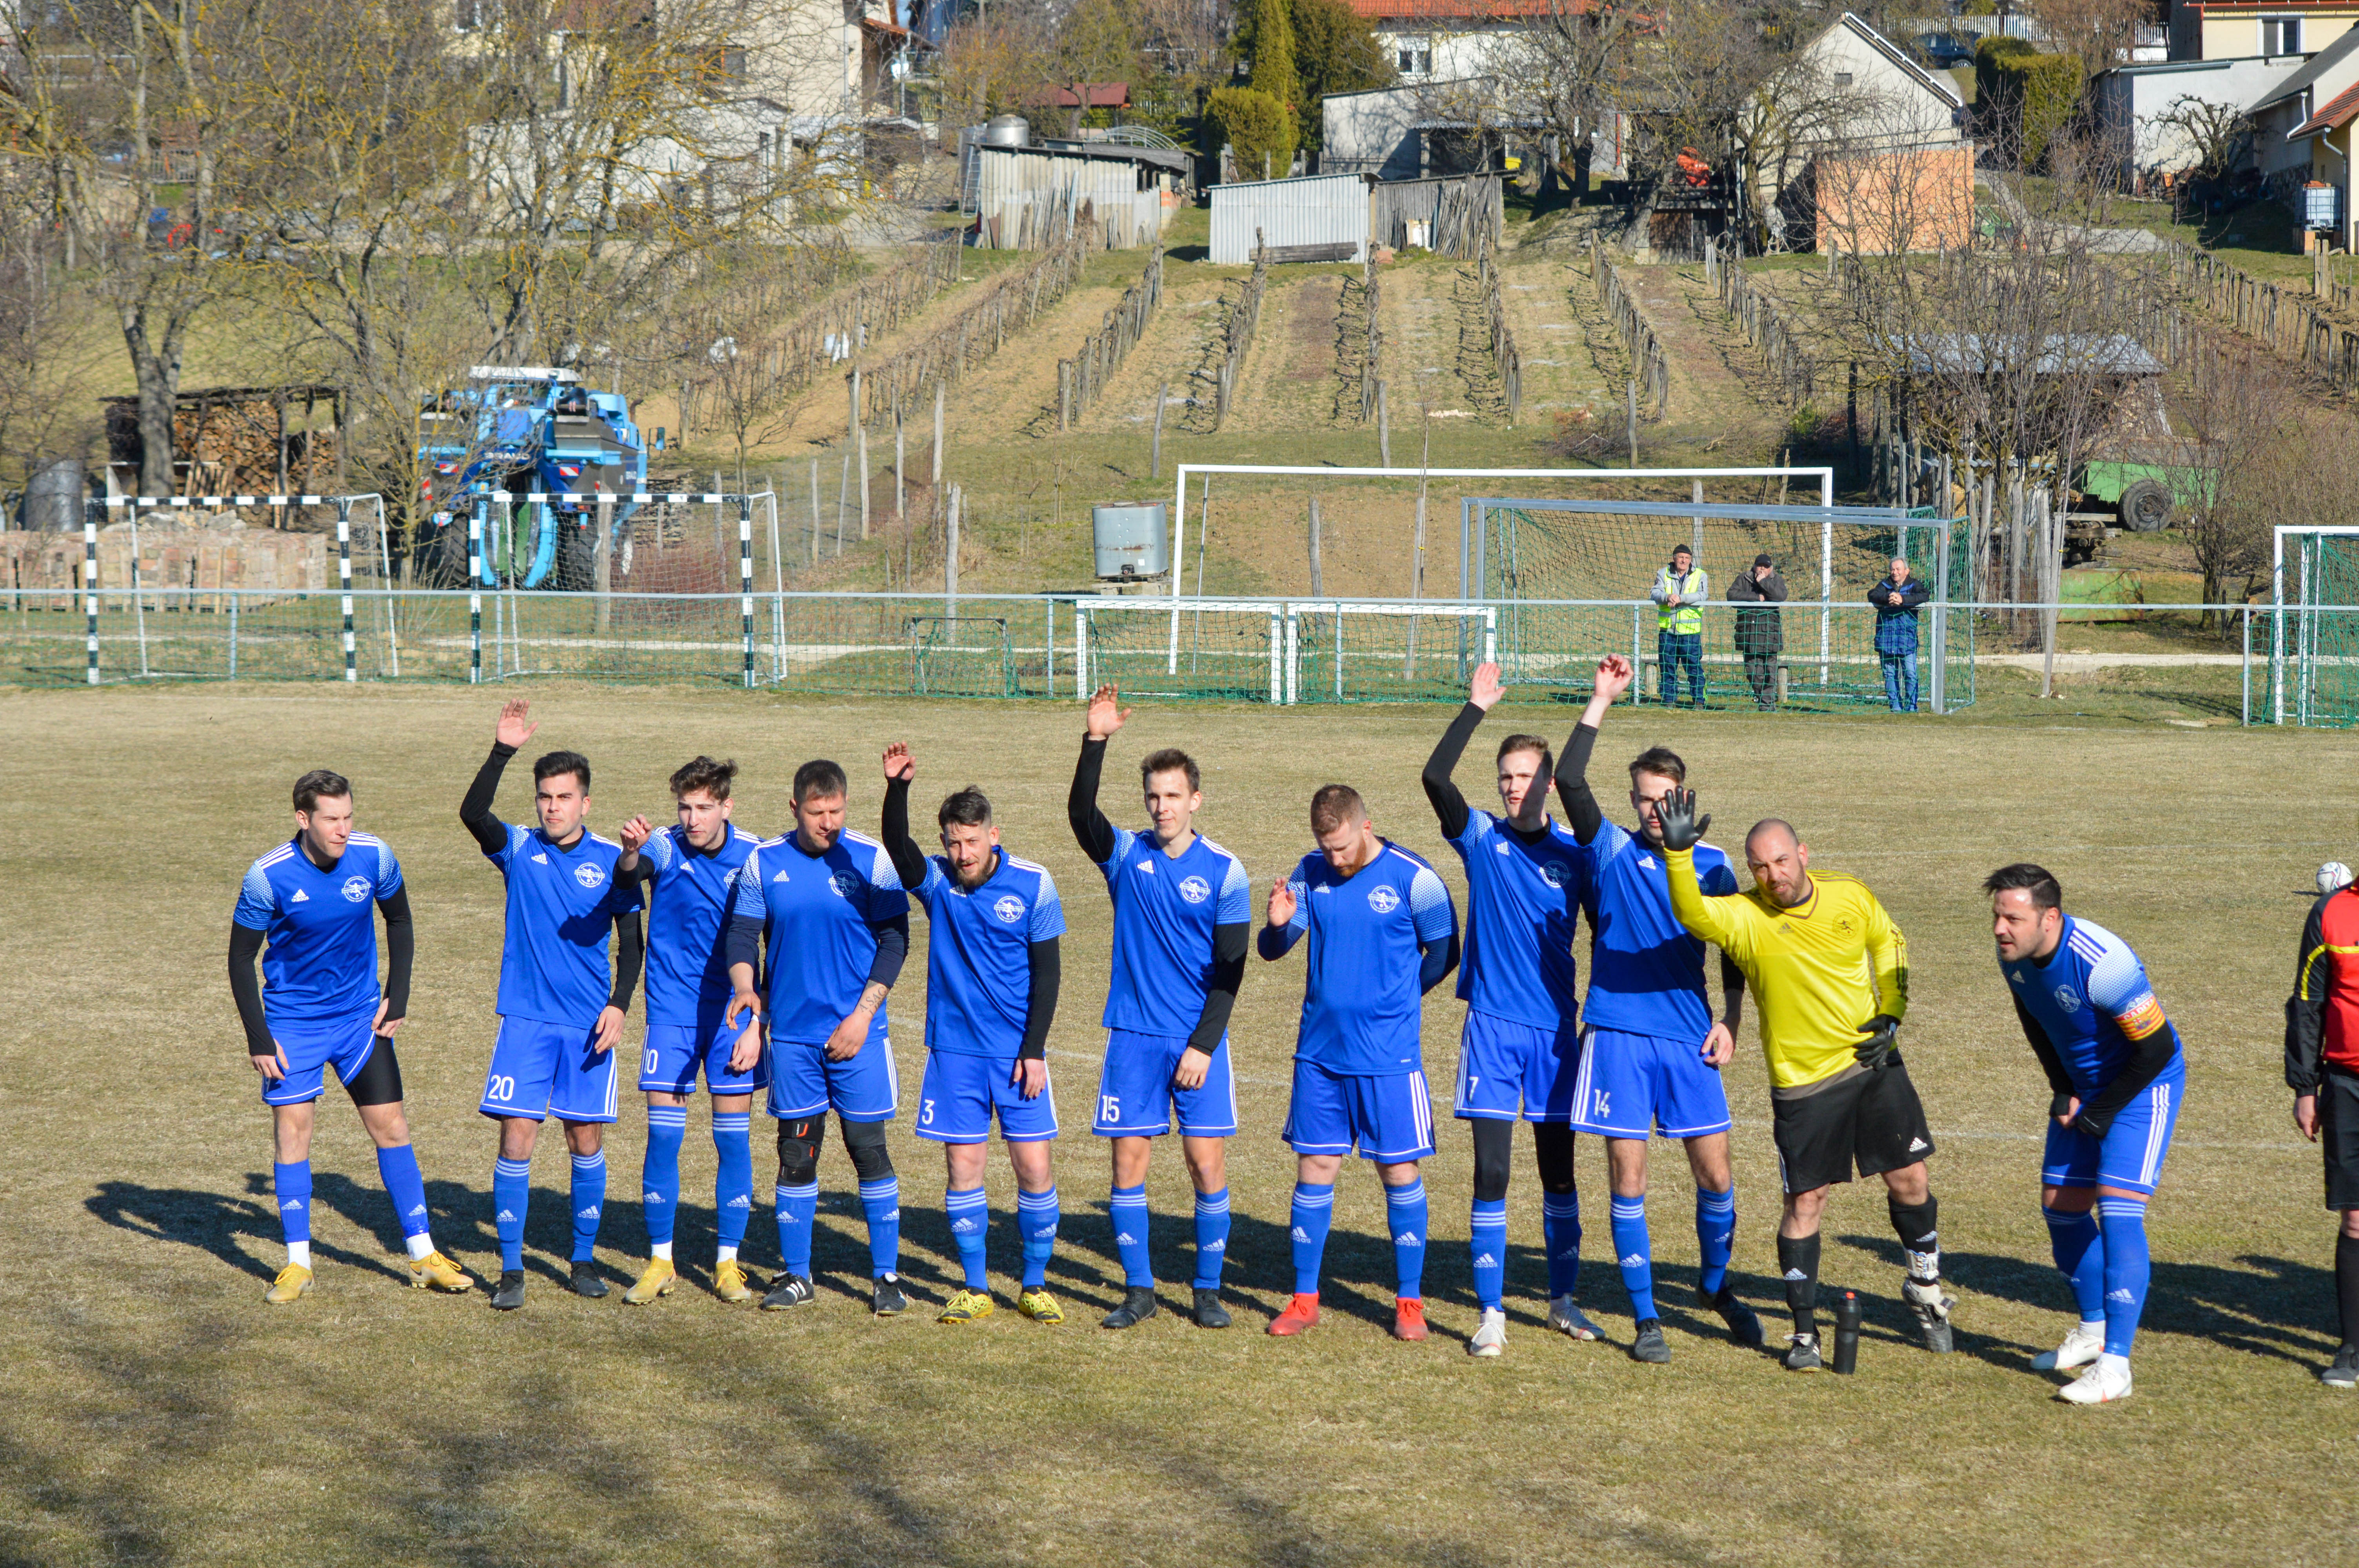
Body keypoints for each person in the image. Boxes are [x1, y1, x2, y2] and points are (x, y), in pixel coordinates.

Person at [1655, 793, 1952, 1372]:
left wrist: (1891, 1012)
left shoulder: (1850, 895)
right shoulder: (1743, 917)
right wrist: (1677, 854)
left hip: (1872, 1066)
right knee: (1805, 1201)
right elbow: (1692, 914)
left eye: (1782, 862)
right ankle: (1804, 1333)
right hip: (1803, 1088)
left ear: (1803, 855)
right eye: (1761, 867)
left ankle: (1925, 1288)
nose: (1773, 877)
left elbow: (1889, 943)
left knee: (1911, 1179)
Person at [1552, 656, 1763, 1363]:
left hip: (1685, 1036)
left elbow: (1736, 952)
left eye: (1665, 797)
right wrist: (1599, 701)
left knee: (1717, 1174)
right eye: (1643, 797)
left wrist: (1731, 1022)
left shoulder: (1712, 865)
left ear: (1684, 796)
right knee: (1628, 1178)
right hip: (1615, 1034)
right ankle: (1646, 1320)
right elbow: (1571, 780)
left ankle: (1713, 1283)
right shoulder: (1607, 849)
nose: (1653, 809)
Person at [230, 770, 471, 1304]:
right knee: (294, 1135)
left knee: (392, 1126)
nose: (343, 829)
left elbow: (401, 921)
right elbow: (240, 958)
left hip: (359, 1020)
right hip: (294, 1027)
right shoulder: (267, 876)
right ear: (303, 819)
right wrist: (260, 1037)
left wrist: (398, 993)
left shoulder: (375, 856)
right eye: (331, 819)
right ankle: (298, 1264)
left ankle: (424, 1254)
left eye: (348, 817)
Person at [1420, 662, 1597, 1357]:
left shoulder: (1577, 855)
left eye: (1523, 776)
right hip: (1491, 1028)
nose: (1512, 787)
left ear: (1549, 783)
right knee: (1492, 1173)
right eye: (1505, 778)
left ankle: (1560, 1299)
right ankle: (1490, 1312)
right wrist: (1473, 709)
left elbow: (1609, 927)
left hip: (1556, 1034)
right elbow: (1436, 779)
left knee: (1559, 1174)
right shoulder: (1480, 841)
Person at [1068, 685, 1250, 1330]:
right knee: (1129, 1165)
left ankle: (1205, 1289)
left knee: (1206, 1164)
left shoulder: (1226, 872)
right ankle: (1140, 1290)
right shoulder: (1127, 856)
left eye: (1173, 795)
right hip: (1134, 1039)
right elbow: (1081, 814)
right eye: (1153, 795)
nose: (1162, 806)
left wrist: (1203, 1045)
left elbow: (1232, 971)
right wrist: (1096, 742)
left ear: (1194, 800)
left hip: (1196, 1040)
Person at [460, 699, 645, 1310]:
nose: (552, 806)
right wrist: (501, 751)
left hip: (589, 1026)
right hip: (526, 1022)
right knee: (517, 1136)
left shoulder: (612, 863)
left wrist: (619, 1006)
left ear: (585, 803)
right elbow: (472, 813)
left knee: (584, 1141)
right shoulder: (517, 849)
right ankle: (511, 1270)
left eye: (563, 797)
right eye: (544, 796)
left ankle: (583, 1259)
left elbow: (631, 942)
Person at [1258, 784, 1459, 1342]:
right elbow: (1274, 950)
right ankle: (1304, 1299)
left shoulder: (1413, 879)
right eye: (1326, 849)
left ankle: (1411, 1303)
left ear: (1365, 826)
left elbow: (1446, 950)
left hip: (1389, 1059)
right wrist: (1277, 926)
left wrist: (1400, 1000)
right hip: (1319, 1056)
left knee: (1398, 1172)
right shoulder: (1309, 872)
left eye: (1343, 848)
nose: (1335, 859)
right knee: (1314, 1172)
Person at [880, 746, 1067, 1326]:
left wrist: (1034, 1051)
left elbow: (1049, 973)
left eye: (973, 841)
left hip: (1016, 1056)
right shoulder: (938, 884)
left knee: (1034, 1170)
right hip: (954, 1053)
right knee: (965, 1168)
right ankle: (976, 1285)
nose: (963, 854)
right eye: (954, 843)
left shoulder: (1034, 884)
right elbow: (898, 848)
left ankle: (1034, 1283)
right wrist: (897, 789)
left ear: (993, 835)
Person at [1988, 864, 2186, 1405]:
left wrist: (2101, 1111)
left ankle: (2116, 1367)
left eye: (2013, 917)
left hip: (2143, 1088)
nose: (2001, 928)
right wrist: (2061, 1088)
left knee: (2119, 1210)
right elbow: (2035, 1019)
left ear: (2049, 918)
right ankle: (2094, 1331)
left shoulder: (2104, 962)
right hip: (2086, 1089)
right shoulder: (2016, 959)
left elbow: (2158, 1048)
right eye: (1997, 916)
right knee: (2061, 1207)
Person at [720, 759, 911, 1314]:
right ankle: (797, 1275)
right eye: (817, 812)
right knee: (797, 1152)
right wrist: (746, 991)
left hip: (860, 1035)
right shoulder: (764, 862)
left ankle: (887, 1277)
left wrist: (861, 1016)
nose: (828, 822)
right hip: (796, 1041)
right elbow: (742, 936)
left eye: (837, 811)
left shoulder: (871, 859)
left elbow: (895, 942)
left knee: (867, 1149)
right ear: (795, 809)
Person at [611, 757, 765, 1307]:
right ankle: (661, 1260)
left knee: (732, 1140)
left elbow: (776, 941)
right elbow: (630, 875)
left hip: (732, 1017)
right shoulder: (664, 845)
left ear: (727, 806)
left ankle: (727, 1264)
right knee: (664, 1137)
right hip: (672, 1016)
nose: (693, 818)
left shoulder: (755, 854)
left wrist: (759, 1023)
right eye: (685, 807)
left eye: (704, 807)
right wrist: (630, 852)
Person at [2286, 872, 2359, 1390]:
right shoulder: (2332, 912)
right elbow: (2308, 1002)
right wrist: (2305, 1086)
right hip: (2345, 1084)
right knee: (2356, 1221)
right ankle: (2352, 1349)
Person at [1869, 556, 1932, 713]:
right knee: (1890, 673)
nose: (1895, 572)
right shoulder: (1885, 585)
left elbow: (1924, 595)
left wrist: (1903, 599)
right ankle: (1895, 707)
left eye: (1898, 569)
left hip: (1907, 638)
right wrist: (1888, 598)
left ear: (1907, 571)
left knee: (1910, 673)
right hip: (1886, 637)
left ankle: (1912, 707)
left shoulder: (1914, 585)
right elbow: (1872, 595)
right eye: (1892, 569)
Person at [1650, 544, 1708, 709]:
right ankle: (1669, 700)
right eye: (1681, 557)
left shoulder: (1700, 575)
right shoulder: (1663, 574)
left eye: (1687, 558)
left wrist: (1680, 598)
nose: (1684, 561)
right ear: (1674, 558)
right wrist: (1667, 596)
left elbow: (1702, 595)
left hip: (1690, 632)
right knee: (1667, 667)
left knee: (1694, 668)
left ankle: (1699, 701)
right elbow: (1654, 592)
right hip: (1668, 630)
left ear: (1691, 560)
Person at [1726, 554, 1787, 711]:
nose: (1762, 569)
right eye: (1759, 566)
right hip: (1749, 634)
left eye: (1766, 567)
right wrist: (1755, 598)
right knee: (1753, 672)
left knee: (1770, 672)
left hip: (1770, 634)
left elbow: (1780, 596)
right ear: (1754, 567)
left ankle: (1767, 705)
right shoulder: (1743, 579)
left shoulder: (1776, 580)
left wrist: (1764, 582)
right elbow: (1731, 596)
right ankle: (1764, 699)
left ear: (1771, 569)